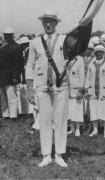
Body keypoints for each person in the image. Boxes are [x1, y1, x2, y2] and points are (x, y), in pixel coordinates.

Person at [26, 11, 69, 167]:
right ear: (42, 23)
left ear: (56, 23)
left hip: (61, 86)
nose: (48, 24)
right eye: (45, 22)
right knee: (44, 120)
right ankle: (46, 155)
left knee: (60, 120)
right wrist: (30, 88)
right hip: (42, 87)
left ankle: (59, 154)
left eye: (51, 21)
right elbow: (29, 65)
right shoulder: (35, 42)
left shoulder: (64, 40)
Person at [0, 27, 23, 120]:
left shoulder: (16, 46)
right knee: (3, 97)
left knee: (11, 97)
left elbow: (18, 63)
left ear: (12, 36)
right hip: (1, 76)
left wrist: (15, 76)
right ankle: (5, 114)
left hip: (10, 76)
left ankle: (13, 115)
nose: (6, 37)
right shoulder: (3, 46)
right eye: (5, 35)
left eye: (8, 35)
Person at [86, 45, 105, 138]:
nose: (98, 54)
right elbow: (87, 78)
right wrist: (86, 90)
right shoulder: (91, 64)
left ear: (103, 53)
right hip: (93, 92)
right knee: (94, 111)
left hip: (104, 91)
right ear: (95, 53)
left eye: (100, 52)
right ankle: (95, 130)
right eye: (97, 52)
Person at [67, 54, 85, 137]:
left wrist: (80, 90)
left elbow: (82, 76)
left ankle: (78, 129)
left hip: (76, 88)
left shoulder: (80, 59)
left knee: (77, 109)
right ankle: (72, 128)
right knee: (70, 110)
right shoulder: (66, 58)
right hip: (68, 89)